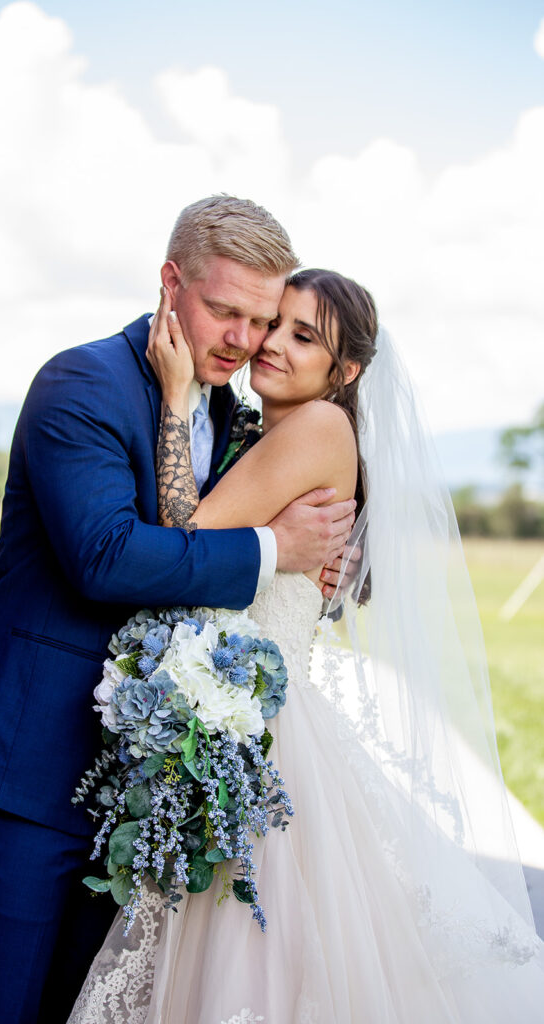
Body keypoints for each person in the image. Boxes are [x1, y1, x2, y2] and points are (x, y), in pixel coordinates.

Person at [0, 197, 359, 1024]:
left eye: (261, 320)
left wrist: (318, 558)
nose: (242, 338)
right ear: (169, 283)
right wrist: (273, 550)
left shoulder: (232, 408)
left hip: (144, 785)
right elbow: (107, 557)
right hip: (28, 764)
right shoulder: (81, 383)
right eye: (223, 309)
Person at [68, 269, 544, 1022]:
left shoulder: (319, 429)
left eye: (303, 335)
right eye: (273, 323)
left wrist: (170, 396)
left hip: (265, 740)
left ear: (345, 370)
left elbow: (180, 538)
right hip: (251, 725)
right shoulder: (270, 430)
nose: (271, 344)